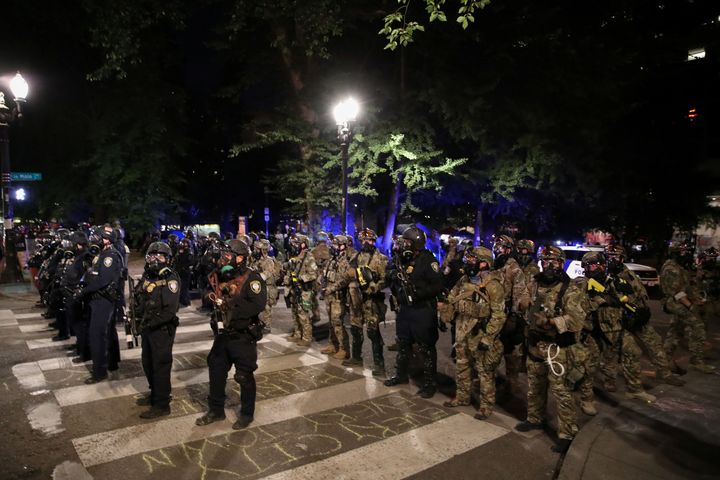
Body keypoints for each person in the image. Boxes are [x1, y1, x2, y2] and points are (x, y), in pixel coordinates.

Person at [515, 245, 588, 453]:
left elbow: (576, 321)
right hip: (535, 344)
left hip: (558, 348)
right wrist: (523, 304)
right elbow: (521, 304)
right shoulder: (534, 284)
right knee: (535, 385)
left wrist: (551, 322)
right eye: (545, 261)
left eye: (553, 262)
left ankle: (567, 433)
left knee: (561, 391)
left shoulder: (570, 288)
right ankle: (534, 418)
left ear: (561, 264)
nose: (548, 266)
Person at [196, 239, 267, 430]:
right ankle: (216, 410)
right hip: (222, 335)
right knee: (216, 370)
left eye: (228, 256)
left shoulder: (252, 278)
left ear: (240, 258)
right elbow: (206, 291)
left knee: (244, 375)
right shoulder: (220, 275)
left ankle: (246, 414)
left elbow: (258, 303)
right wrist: (211, 298)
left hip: (242, 335)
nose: (223, 259)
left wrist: (231, 308)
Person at [578, 251, 656, 417]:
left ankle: (635, 389)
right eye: (592, 265)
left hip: (618, 328)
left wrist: (631, 306)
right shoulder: (581, 284)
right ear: (585, 267)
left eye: (599, 264)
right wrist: (599, 299)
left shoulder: (612, 281)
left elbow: (627, 299)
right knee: (588, 366)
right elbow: (579, 307)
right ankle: (586, 399)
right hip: (595, 331)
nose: (596, 268)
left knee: (633, 353)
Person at [600, 245, 684, 387]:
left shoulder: (628, 274)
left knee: (655, 343)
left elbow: (641, 293)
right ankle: (610, 380)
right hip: (617, 320)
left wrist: (643, 310)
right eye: (609, 256)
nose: (612, 259)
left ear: (622, 258)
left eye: (616, 256)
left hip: (637, 317)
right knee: (613, 351)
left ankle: (665, 374)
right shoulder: (602, 277)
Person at [440, 246, 506, 419]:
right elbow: (451, 299)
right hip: (462, 332)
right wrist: (445, 310)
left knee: (484, 372)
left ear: (484, 263)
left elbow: (499, 315)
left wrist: (488, 337)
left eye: (472, 259)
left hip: (480, 334)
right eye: (468, 258)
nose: (468, 262)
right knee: (462, 366)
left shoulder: (493, 285)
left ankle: (486, 406)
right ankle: (462, 397)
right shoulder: (464, 280)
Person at [384, 226, 444, 398]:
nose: (405, 245)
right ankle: (401, 375)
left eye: (408, 242)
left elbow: (438, 285)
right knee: (403, 344)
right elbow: (389, 276)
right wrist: (393, 275)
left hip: (423, 310)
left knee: (426, 347)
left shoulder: (428, 260)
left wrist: (418, 294)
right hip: (405, 310)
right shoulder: (402, 259)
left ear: (416, 243)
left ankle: (430, 384)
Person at [133, 242, 180, 418]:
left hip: (161, 328)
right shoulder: (148, 275)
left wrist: (150, 323)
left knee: (160, 365)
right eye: (152, 256)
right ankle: (155, 393)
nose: (155, 260)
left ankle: (162, 404)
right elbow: (140, 296)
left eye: (160, 256)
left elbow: (169, 310)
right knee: (147, 362)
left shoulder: (171, 278)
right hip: (148, 326)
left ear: (167, 259)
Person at [661, 240, 715, 373]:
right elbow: (676, 292)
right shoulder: (671, 269)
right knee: (698, 326)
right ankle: (696, 361)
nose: (687, 254)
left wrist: (697, 300)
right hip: (675, 302)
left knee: (675, 332)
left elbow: (688, 286)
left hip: (681, 301)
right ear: (675, 253)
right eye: (684, 251)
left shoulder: (681, 267)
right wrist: (690, 306)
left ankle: (665, 362)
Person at [79, 225, 123, 384]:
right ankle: (111, 363)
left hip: (103, 300)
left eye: (98, 237)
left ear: (106, 240)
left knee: (97, 335)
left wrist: (84, 291)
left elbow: (102, 280)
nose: (95, 240)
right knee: (107, 333)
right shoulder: (104, 254)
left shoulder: (109, 256)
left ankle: (99, 371)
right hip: (100, 299)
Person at [344, 228, 389, 376]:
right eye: (364, 240)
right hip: (356, 299)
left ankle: (379, 365)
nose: (367, 243)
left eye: (370, 240)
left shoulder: (381, 258)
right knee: (356, 329)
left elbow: (384, 280)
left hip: (371, 301)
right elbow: (348, 274)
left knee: (373, 332)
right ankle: (356, 357)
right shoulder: (355, 257)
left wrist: (374, 287)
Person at [492, 235, 531, 394]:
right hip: (493, 316)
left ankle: (511, 383)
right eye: (496, 246)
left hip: (508, 316)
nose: (497, 249)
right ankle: (490, 382)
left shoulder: (514, 268)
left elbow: (520, 295)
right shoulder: (494, 265)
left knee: (510, 354)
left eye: (500, 247)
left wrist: (514, 318)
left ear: (508, 249)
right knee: (491, 352)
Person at [320, 235, 355, 360]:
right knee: (331, 322)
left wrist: (331, 288)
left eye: (336, 245)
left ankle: (344, 349)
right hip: (329, 296)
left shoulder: (345, 261)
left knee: (338, 322)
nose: (333, 247)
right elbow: (325, 274)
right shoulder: (331, 260)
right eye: (333, 244)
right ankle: (333, 345)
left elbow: (343, 280)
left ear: (343, 246)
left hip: (338, 296)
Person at [283, 234, 318, 347]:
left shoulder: (309, 257)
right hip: (294, 288)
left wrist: (302, 279)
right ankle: (297, 334)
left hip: (304, 289)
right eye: (293, 243)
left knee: (303, 313)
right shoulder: (295, 256)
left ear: (304, 244)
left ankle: (307, 337)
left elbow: (313, 274)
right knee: (295, 312)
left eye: (297, 243)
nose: (294, 245)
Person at [251, 239, 281, 333]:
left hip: (267, 287)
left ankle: (267, 326)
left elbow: (266, 274)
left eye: (258, 249)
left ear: (263, 250)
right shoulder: (256, 260)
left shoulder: (269, 261)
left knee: (266, 307)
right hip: (259, 286)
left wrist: (257, 273)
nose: (256, 250)